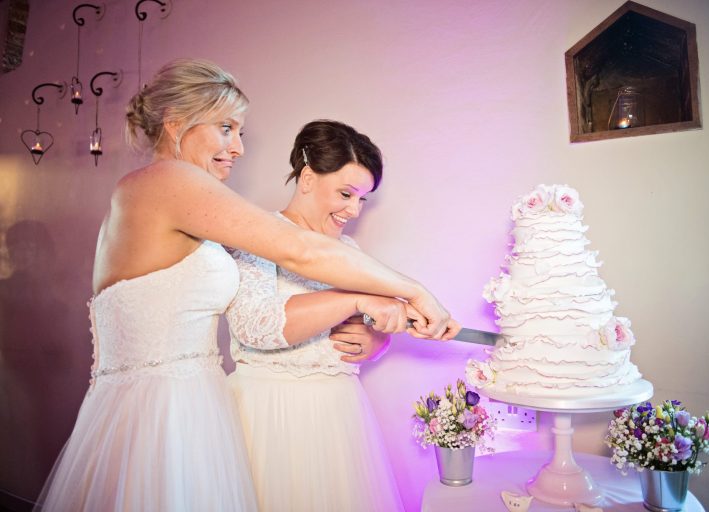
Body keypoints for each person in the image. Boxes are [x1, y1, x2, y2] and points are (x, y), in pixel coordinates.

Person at [35, 59, 459, 511]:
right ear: (176, 124)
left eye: (239, 132)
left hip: (195, 403)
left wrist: (376, 328)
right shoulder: (168, 180)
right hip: (161, 412)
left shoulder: (176, 198)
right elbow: (299, 251)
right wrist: (414, 292)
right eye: (226, 128)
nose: (237, 147)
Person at [226, 120, 415, 511]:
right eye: (346, 194)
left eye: (363, 199)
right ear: (308, 178)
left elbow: (373, 319)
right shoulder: (259, 234)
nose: (354, 210)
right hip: (270, 415)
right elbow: (254, 326)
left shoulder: (350, 250)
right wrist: (355, 300)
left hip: (337, 416)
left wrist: (377, 341)